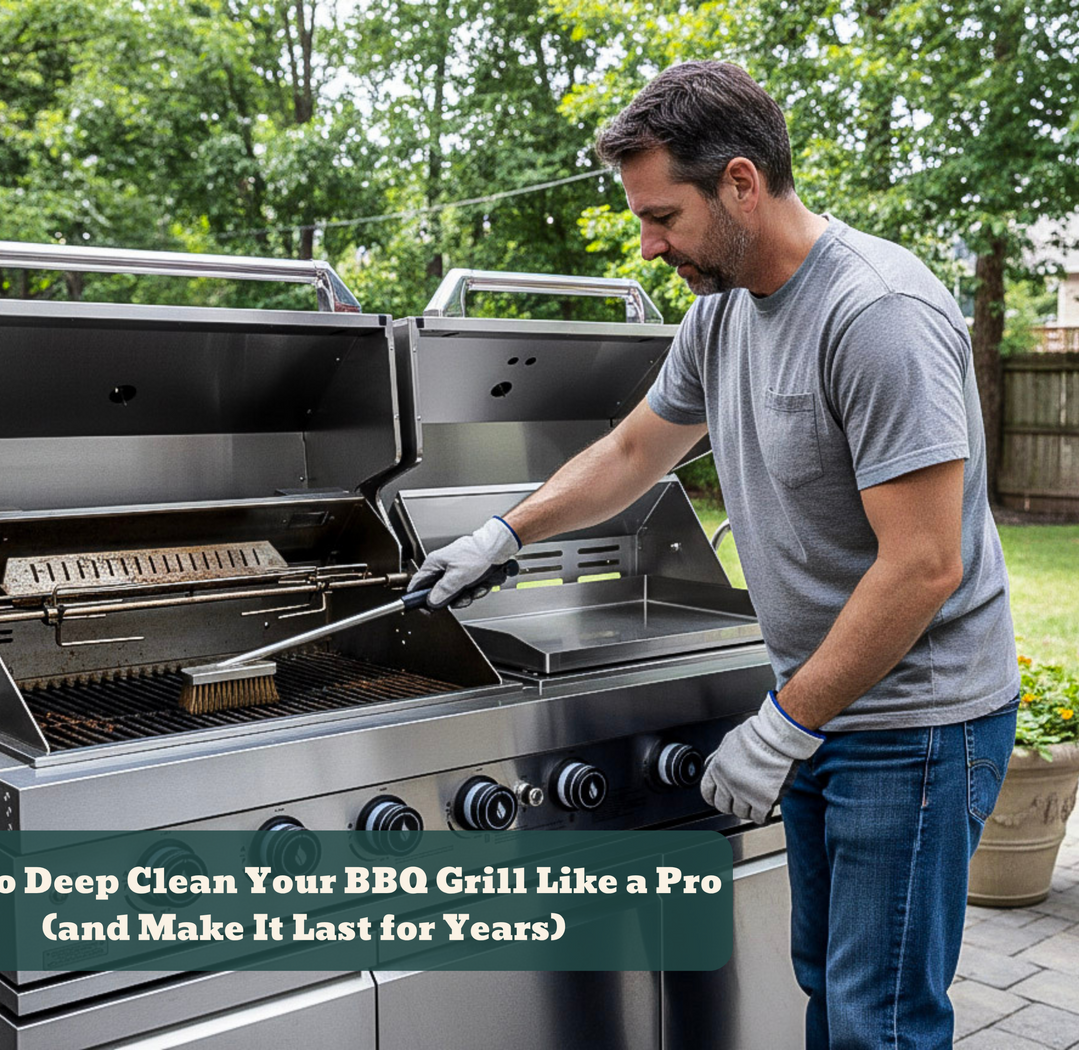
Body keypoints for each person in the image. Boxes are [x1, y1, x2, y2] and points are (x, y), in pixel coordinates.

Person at [409, 60, 1020, 1050]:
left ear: (739, 182)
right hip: (827, 703)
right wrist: (501, 534)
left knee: (881, 1025)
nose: (650, 246)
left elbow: (922, 564)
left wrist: (780, 726)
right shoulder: (721, 313)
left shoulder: (876, 317)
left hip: (915, 726)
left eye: (663, 217)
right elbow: (632, 452)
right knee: (829, 984)